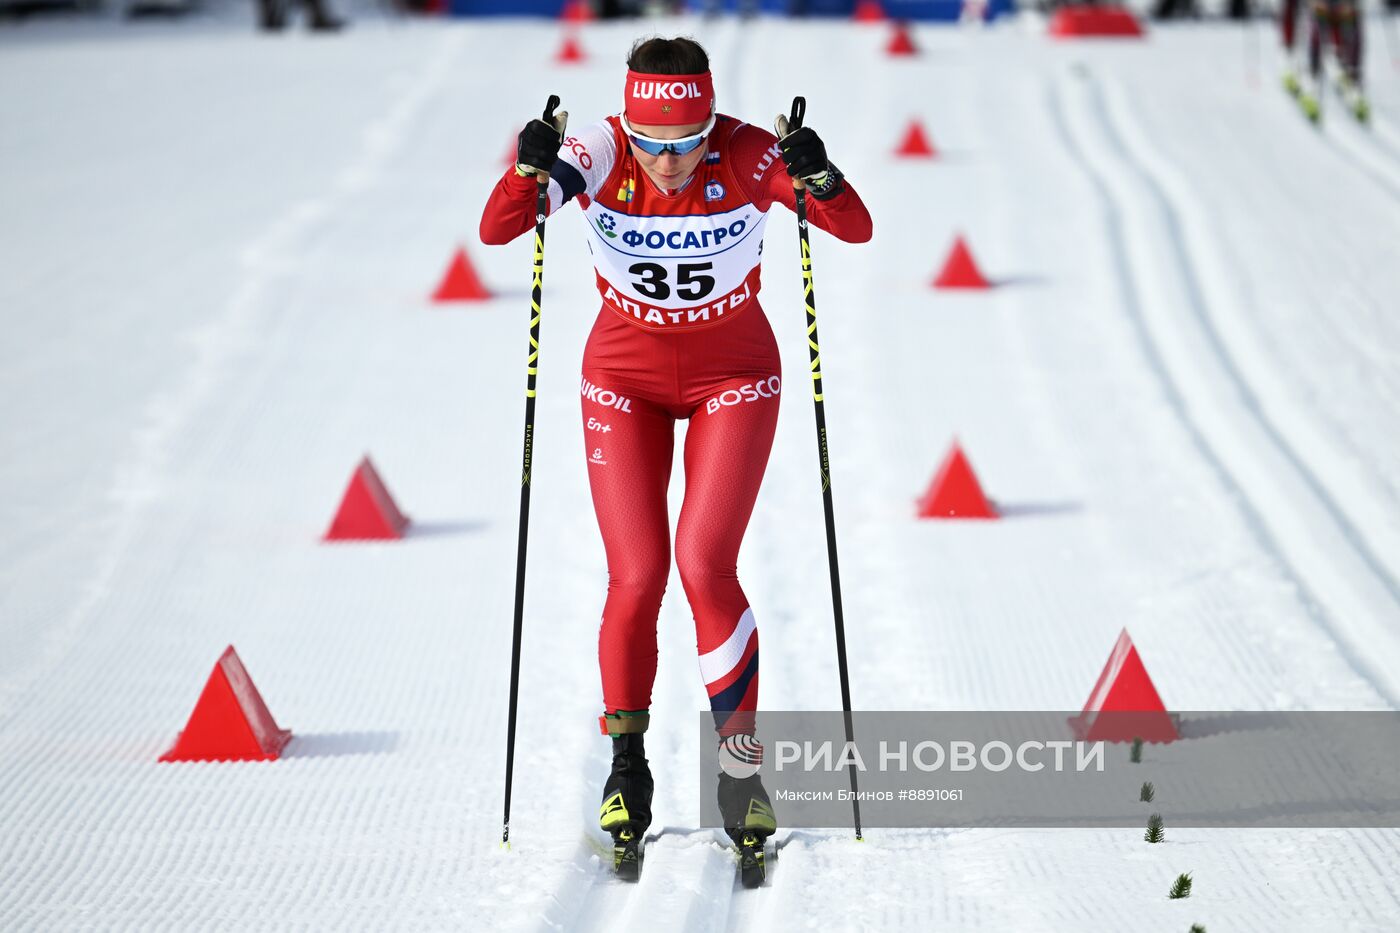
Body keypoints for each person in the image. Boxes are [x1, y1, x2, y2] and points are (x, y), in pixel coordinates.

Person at [479, 35, 872, 875]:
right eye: (654, 144)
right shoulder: (600, 148)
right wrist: (527, 170)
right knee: (637, 573)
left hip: (734, 374)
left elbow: (855, 227)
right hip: (622, 377)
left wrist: (820, 174)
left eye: (687, 141)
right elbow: (498, 227)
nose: (669, 162)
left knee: (704, 563)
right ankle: (629, 771)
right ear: (629, 123)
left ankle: (740, 774)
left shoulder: (746, 152)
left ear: (710, 122)